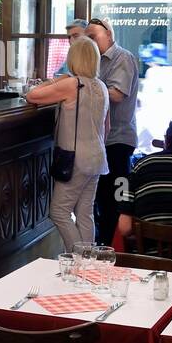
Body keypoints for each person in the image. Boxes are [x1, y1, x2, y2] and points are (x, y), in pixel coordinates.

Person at [27, 37, 108, 251]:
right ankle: (89, 261)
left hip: (75, 159)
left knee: (59, 212)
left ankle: (79, 258)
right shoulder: (101, 86)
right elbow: (106, 127)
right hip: (97, 156)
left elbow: (32, 95)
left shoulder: (73, 84)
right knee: (85, 212)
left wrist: (56, 80)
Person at [85, 17, 138, 246]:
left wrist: (86, 87)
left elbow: (117, 94)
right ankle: (103, 245)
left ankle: (116, 248)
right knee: (100, 200)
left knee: (117, 198)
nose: (90, 42)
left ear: (109, 35)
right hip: (100, 141)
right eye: (87, 38)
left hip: (118, 141)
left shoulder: (122, 58)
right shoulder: (93, 62)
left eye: (93, 37)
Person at [135, 43, 172, 156]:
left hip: (156, 122)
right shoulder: (171, 71)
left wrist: (136, 96)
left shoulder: (153, 72)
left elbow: (147, 99)